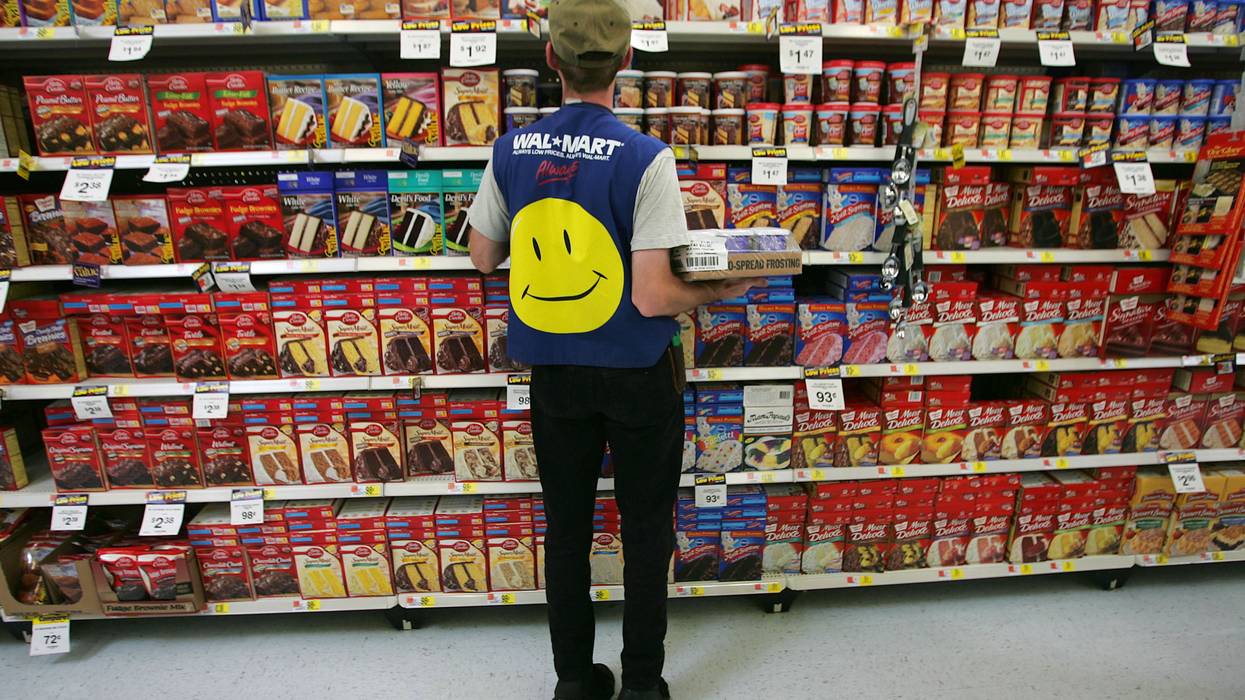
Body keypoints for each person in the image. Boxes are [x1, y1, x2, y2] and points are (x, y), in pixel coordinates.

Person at [465, 0, 761, 697]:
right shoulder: (644, 156)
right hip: (635, 370)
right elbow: (654, 297)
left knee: (565, 531)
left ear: (549, 62)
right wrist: (721, 288)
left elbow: (482, 256)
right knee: (645, 528)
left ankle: (573, 681)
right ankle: (641, 684)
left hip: (556, 372)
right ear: (627, 62)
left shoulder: (510, 148)